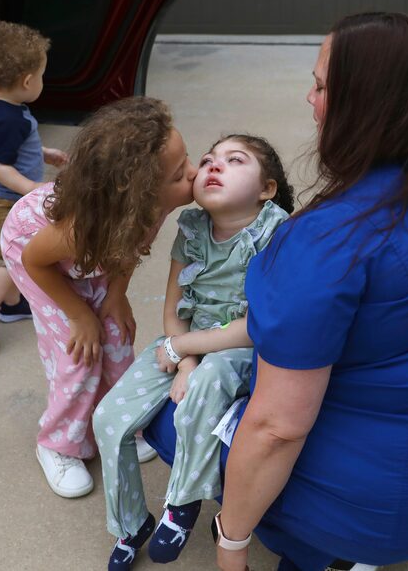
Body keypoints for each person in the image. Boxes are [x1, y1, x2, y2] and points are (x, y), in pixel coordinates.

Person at [201, 12, 408, 571]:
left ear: (363, 106)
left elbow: (276, 428)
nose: (309, 97)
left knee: (173, 408)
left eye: (322, 86)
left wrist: (231, 540)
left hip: (388, 511)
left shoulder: (327, 240)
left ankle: (319, 551)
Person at [94, 134, 294, 571]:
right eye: (207, 160)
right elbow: (173, 307)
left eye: (234, 160)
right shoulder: (191, 227)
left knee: (204, 385)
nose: (214, 166)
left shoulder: (275, 233)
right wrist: (182, 359)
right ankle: (130, 524)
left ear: (266, 189)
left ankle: (182, 502)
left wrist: (186, 352)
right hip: (184, 343)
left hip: (239, 348)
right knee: (108, 418)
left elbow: (258, 327)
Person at [0, 96, 198, 499]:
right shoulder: (74, 229)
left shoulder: (144, 209)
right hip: (35, 256)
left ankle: (113, 419)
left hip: (89, 260)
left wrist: (115, 297)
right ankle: (57, 443)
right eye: (179, 175)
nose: (194, 175)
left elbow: (128, 250)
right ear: (138, 195)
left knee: (116, 335)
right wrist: (78, 314)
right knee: (79, 354)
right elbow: (35, 260)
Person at [0, 20, 67, 356]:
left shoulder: (1, 108)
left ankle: (12, 304)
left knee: (12, 253)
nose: (43, 82)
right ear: (28, 80)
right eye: (43, 75)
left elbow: (8, 148)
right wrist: (33, 188)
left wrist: (43, 152)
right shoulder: (8, 120)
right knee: (12, 257)